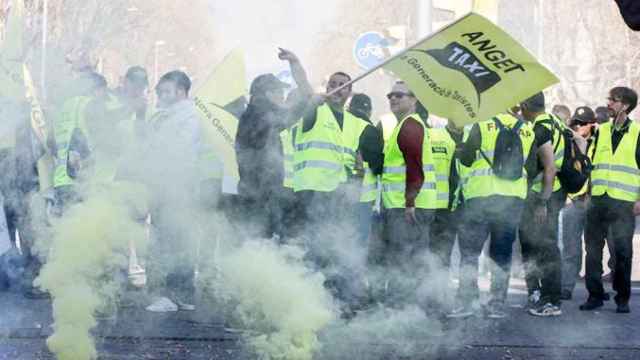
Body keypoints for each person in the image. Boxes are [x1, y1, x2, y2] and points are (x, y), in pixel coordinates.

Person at [450, 108, 543, 319]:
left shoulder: (481, 124)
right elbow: (532, 167)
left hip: (480, 197)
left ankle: (467, 302)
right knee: (502, 254)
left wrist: (462, 149)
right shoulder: (528, 130)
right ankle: (497, 304)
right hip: (511, 200)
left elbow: (465, 160)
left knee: (470, 252)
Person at [143, 70, 202, 313]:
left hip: (175, 186)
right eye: (159, 92)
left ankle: (169, 294)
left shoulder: (188, 116)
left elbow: (179, 150)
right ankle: (181, 294)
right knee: (178, 239)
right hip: (169, 185)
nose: (161, 96)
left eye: (166, 91)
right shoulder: (165, 116)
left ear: (180, 92)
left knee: (170, 240)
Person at [581, 86, 639, 314]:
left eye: (613, 100)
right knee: (592, 250)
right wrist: (587, 192)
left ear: (625, 105)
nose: (608, 103)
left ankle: (622, 298)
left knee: (623, 252)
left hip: (624, 201)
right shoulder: (601, 131)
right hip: (598, 200)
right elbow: (591, 163)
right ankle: (595, 295)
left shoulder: (637, 132)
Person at [379, 81, 437, 307]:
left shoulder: (410, 126)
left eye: (399, 95)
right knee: (410, 258)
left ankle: (402, 308)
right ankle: (409, 308)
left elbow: (415, 168)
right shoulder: (407, 125)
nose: (393, 98)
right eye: (390, 95)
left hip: (408, 208)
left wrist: (409, 202)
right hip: (408, 205)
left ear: (414, 100)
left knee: (404, 260)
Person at [518, 93, 565, 317]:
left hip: (544, 195)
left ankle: (551, 301)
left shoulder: (541, 127)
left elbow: (550, 167)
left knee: (546, 248)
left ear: (526, 105)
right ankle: (541, 295)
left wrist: (542, 202)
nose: (519, 111)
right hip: (552, 193)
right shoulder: (555, 121)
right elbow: (580, 141)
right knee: (537, 245)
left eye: (521, 107)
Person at [235, 73, 291, 239]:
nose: (283, 96)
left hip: (264, 194)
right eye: (279, 91)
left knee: (262, 242)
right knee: (258, 242)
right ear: (268, 93)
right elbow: (289, 117)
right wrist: (309, 103)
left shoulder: (258, 114)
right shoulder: (257, 115)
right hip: (259, 195)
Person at [560, 106, 596, 300]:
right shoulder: (569, 142)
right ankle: (566, 286)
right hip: (573, 201)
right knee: (570, 247)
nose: (578, 126)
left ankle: (595, 290)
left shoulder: (600, 142)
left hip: (595, 201)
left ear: (592, 124)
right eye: (575, 123)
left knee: (593, 248)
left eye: (582, 123)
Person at [428, 119, 463, 271]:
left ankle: (451, 291)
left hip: (466, 204)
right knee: (438, 250)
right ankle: (434, 290)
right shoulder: (436, 135)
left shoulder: (474, 135)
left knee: (468, 253)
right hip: (442, 205)